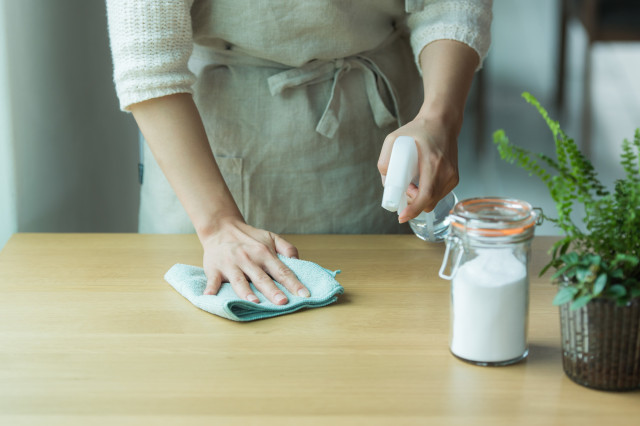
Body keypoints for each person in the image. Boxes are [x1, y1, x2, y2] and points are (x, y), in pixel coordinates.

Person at [106, 0, 492, 305]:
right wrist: (217, 224)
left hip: (368, 129)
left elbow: (449, 6)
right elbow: (148, 61)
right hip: (207, 154)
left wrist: (439, 118)